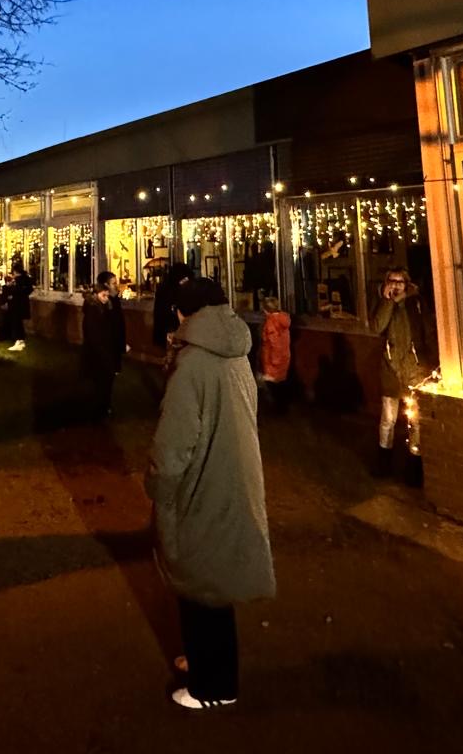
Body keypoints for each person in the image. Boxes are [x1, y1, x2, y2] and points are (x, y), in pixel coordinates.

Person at [146, 277, 275, 711]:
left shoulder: (193, 364)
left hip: (200, 483)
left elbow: (173, 444)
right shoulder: (235, 353)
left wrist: (158, 485)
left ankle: (214, 686)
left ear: (185, 314)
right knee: (213, 580)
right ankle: (204, 660)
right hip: (232, 476)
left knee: (201, 584)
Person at [366, 267, 433, 483]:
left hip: (414, 368)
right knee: (388, 418)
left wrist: (428, 362)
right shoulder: (382, 303)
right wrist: (387, 302)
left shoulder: (415, 304)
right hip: (391, 368)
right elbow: (377, 327)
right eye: (392, 281)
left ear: (406, 284)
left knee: (415, 419)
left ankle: (415, 464)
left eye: (400, 281)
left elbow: (427, 331)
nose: (396, 285)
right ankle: (384, 461)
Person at [81, 274, 126, 419]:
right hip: (100, 352)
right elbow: (95, 334)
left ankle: (103, 406)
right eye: (103, 295)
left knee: (105, 381)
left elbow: (115, 328)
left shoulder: (108, 305)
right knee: (101, 381)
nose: (106, 298)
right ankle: (100, 408)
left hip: (107, 350)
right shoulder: (94, 309)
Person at [151, 261, 193, 358]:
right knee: (174, 356)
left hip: (169, 330)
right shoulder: (172, 291)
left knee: (172, 357)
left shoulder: (166, 288)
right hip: (172, 330)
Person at [259, 295, 291, 413]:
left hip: (273, 359)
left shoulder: (271, 322)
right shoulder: (283, 320)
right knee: (281, 383)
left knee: (272, 385)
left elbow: (274, 343)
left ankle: (277, 409)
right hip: (284, 356)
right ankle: (282, 407)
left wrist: (274, 360)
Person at [0, 268, 34, 350]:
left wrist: (5, 286)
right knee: (18, 323)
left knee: (17, 323)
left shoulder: (18, 281)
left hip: (16, 305)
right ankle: (20, 341)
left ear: (16, 272)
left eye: (13, 273)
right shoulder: (26, 280)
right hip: (22, 305)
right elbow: (27, 290)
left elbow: (13, 292)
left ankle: (19, 341)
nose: (13, 275)